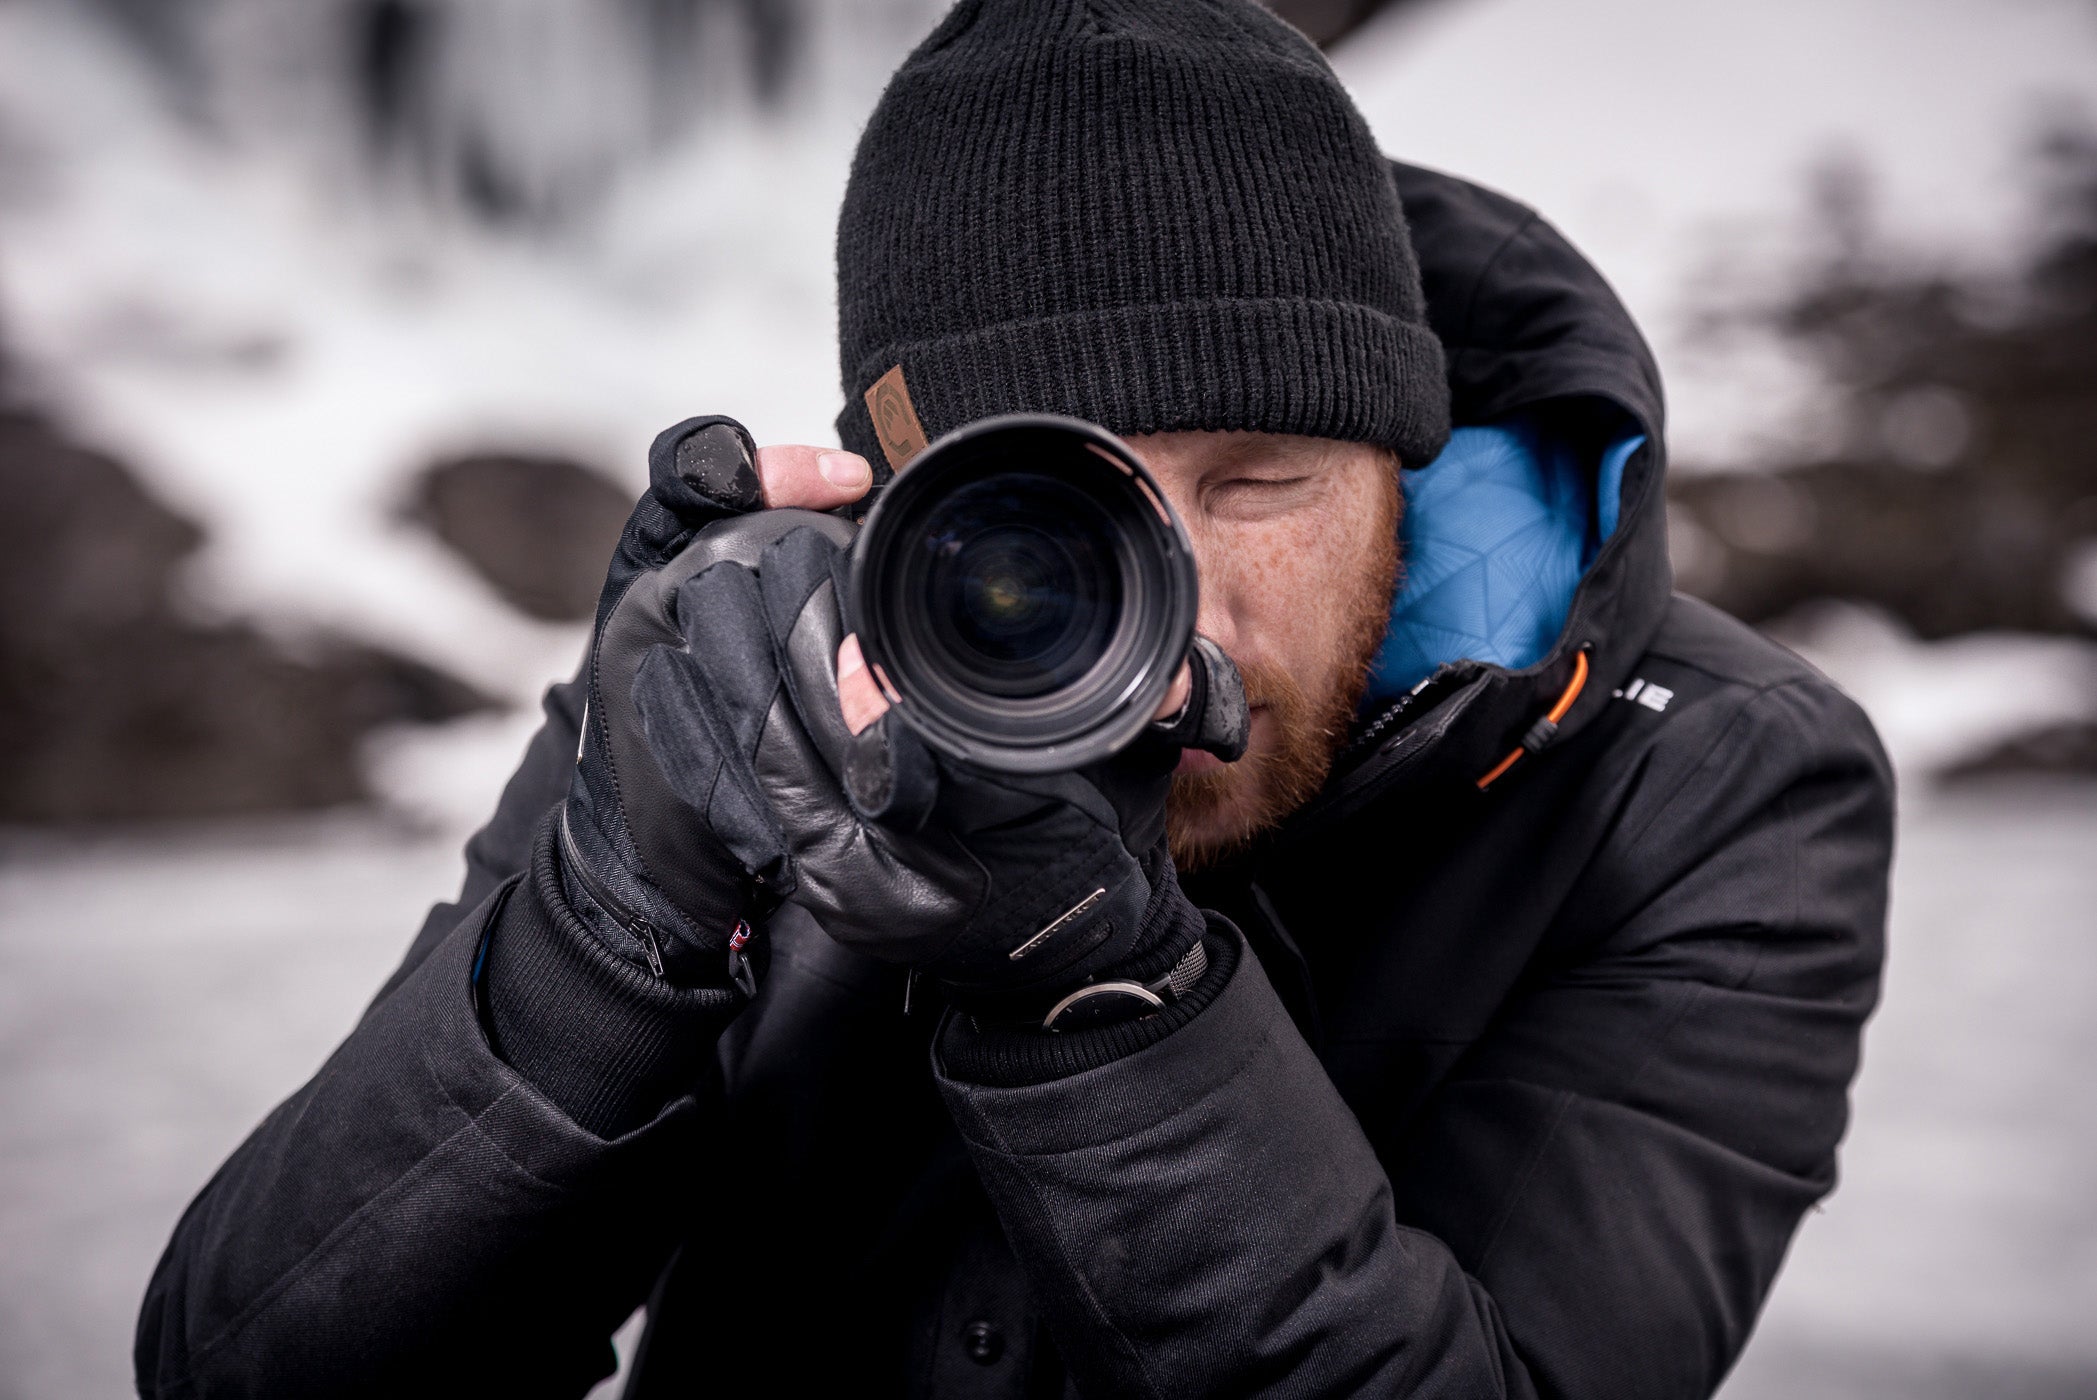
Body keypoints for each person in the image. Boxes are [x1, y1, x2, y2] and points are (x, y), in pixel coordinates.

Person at [135, 2, 1892, 1396]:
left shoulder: (1713, 783)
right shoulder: (771, 686)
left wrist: (1092, 997)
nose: (1172, 607)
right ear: (888, 487)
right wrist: (614, 917)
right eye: (1051, 516)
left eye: (1258, 482)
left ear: (1400, 461)